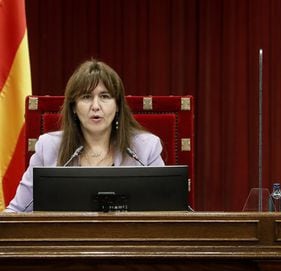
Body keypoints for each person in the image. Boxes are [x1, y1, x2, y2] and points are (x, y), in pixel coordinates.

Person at [5, 59, 164, 212]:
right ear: (73, 107)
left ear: (117, 107)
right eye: (86, 97)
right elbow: (17, 212)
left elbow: (168, 212)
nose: (95, 106)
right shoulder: (48, 148)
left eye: (105, 96)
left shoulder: (146, 148)